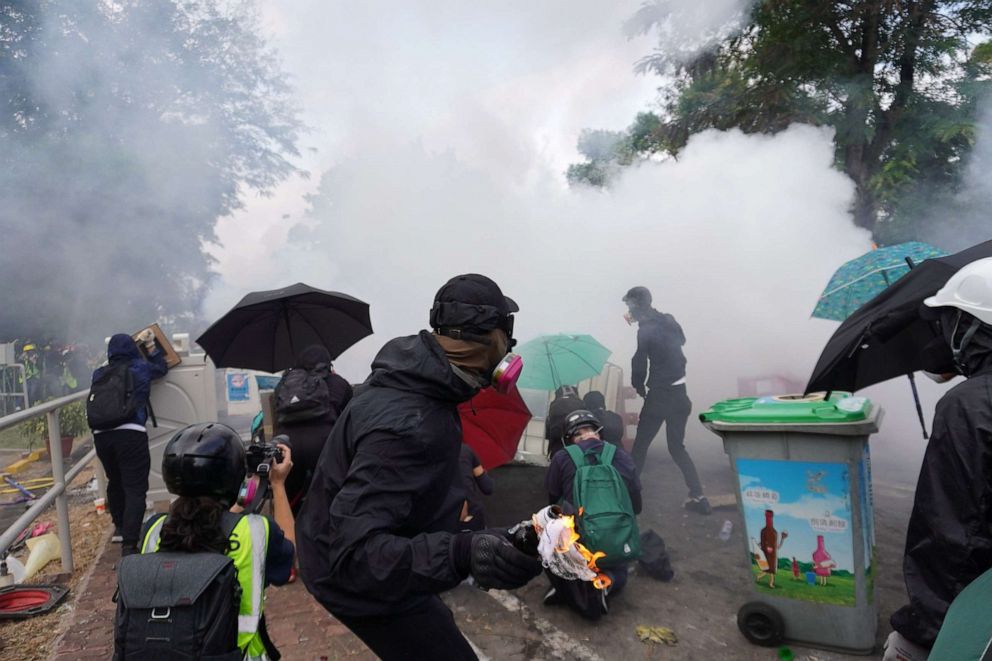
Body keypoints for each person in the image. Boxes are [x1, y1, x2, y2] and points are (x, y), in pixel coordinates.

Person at [297, 274, 542, 661]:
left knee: (434, 621)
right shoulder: (409, 425)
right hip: (351, 582)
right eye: (505, 335)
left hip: (331, 545)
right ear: (493, 338)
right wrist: (463, 552)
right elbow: (356, 557)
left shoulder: (415, 379)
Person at [884, 257, 992, 661]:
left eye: (953, 322)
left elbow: (955, 538)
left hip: (972, 621)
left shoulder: (969, 407)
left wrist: (922, 634)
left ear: (972, 326)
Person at [137, 422, 295, 660]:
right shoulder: (255, 531)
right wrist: (278, 484)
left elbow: (197, 532)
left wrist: (237, 506)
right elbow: (288, 557)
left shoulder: (153, 529)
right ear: (233, 476)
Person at [544, 409, 642, 619]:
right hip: (615, 536)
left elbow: (553, 498)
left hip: (578, 541)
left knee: (547, 533)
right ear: (597, 432)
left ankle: (563, 588)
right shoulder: (618, 454)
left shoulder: (562, 457)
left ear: (569, 438)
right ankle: (609, 581)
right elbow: (635, 491)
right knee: (620, 567)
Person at [623, 286, 710, 515]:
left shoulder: (645, 330)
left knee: (640, 448)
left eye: (629, 305)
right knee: (677, 448)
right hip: (681, 395)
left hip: (659, 396)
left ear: (636, 306)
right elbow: (681, 340)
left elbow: (640, 361)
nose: (628, 310)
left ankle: (626, 499)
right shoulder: (668, 320)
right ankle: (699, 496)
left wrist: (639, 385)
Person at [90, 332, 168, 555]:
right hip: (130, 432)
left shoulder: (99, 373)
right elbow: (161, 367)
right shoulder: (140, 368)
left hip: (102, 435)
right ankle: (130, 544)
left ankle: (120, 528)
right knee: (135, 487)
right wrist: (151, 345)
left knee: (115, 481)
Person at [275, 344, 353, 513]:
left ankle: (291, 531)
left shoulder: (284, 384)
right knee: (333, 496)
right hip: (323, 442)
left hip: (287, 444)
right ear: (327, 364)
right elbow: (350, 420)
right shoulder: (338, 383)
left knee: (289, 499)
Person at [458, 444, 494, 531]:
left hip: (442, 523)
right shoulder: (465, 450)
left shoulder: (426, 455)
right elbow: (487, 487)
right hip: (473, 517)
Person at [545, 384, 583, 458]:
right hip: (576, 448)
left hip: (557, 448)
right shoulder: (581, 404)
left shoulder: (554, 405)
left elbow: (549, 433)